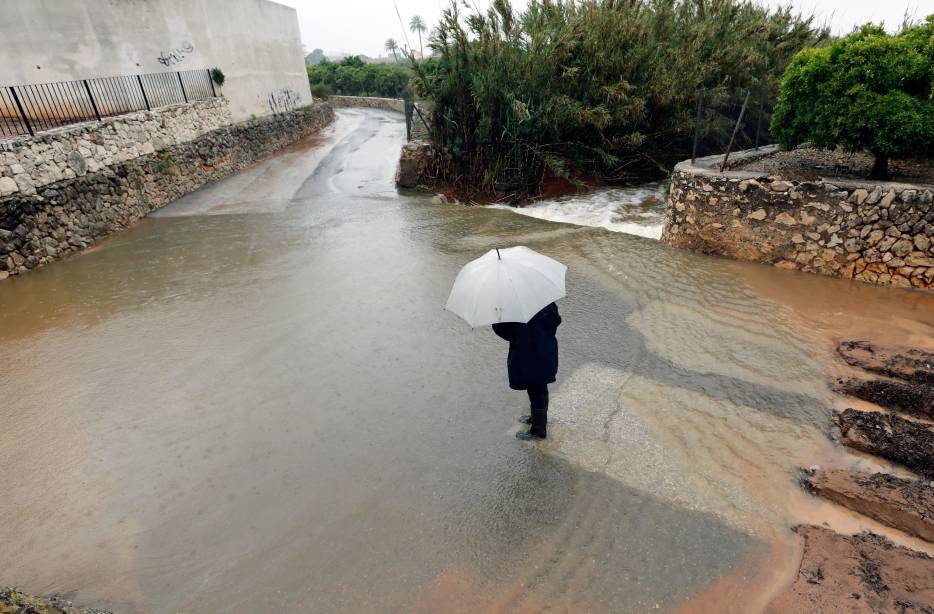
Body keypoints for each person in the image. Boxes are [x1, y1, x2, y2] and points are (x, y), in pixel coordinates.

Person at [492, 302, 561, 440]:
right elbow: (556, 320)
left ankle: (538, 430)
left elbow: (503, 331)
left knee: (535, 389)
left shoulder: (511, 307)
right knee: (540, 386)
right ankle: (537, 418)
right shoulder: (545, 301)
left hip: (528, 353)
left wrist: (497, 318)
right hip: (546, 349)